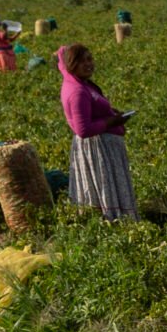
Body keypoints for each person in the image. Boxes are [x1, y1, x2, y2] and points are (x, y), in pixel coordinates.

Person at [58, 44, 137, 221]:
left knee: (106, 187)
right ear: (72, 64)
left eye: (90, 59)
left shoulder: (80, 83)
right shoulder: (77, 91)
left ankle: (113, 220)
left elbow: (93, 111)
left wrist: (111, 112)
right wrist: (113, 121)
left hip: (102, 146)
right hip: (97, 148)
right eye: (82, 61)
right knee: (104, 186)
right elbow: (83, 129)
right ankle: (113, 221)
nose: (89, 64)